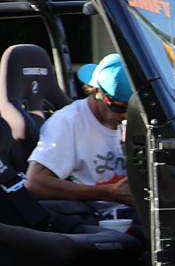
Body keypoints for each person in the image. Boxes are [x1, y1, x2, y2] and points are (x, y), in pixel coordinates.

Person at [25, 53, 134, 220]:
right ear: (97, 91)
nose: (125, 115)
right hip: (101, 218)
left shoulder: (128, 124)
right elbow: (35, 182)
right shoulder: (68, 122)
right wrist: (110, 193)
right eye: (119, 108)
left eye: (132, 109)